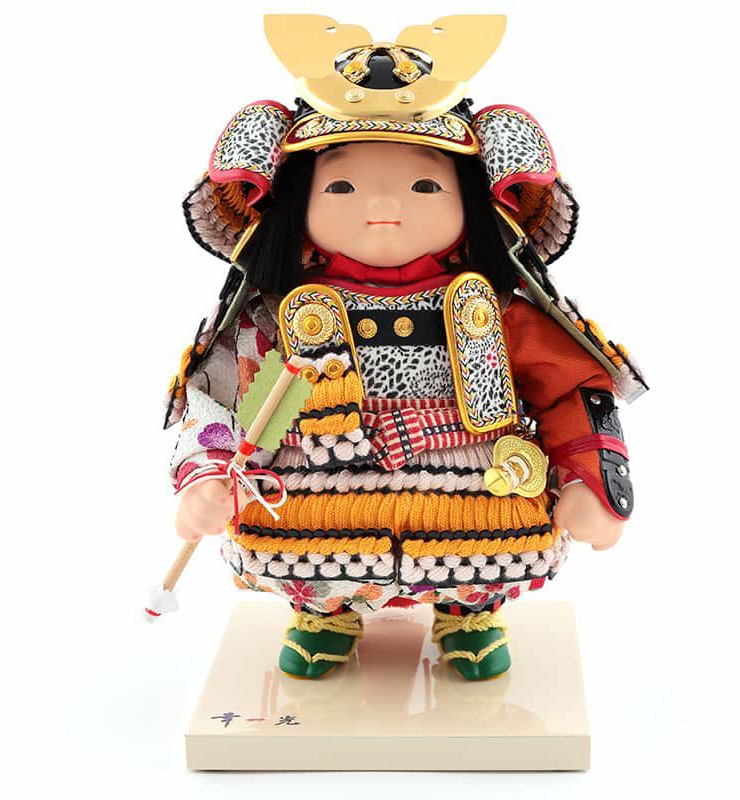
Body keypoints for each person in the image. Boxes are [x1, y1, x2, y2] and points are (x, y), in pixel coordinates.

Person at [164, 15, 646, 681]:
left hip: (478, 502)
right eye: (341, 186)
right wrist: (208, 476)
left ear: (473, 204)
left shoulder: (494, 313)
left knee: (485, 556)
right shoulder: (278, 317)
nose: (385, 203)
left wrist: (594, 483)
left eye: (425, 186)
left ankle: (468, 613)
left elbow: (571, 390)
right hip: (311, 502)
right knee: (305, 555)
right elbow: (217, 399)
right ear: (297, 203)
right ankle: (325, 614)